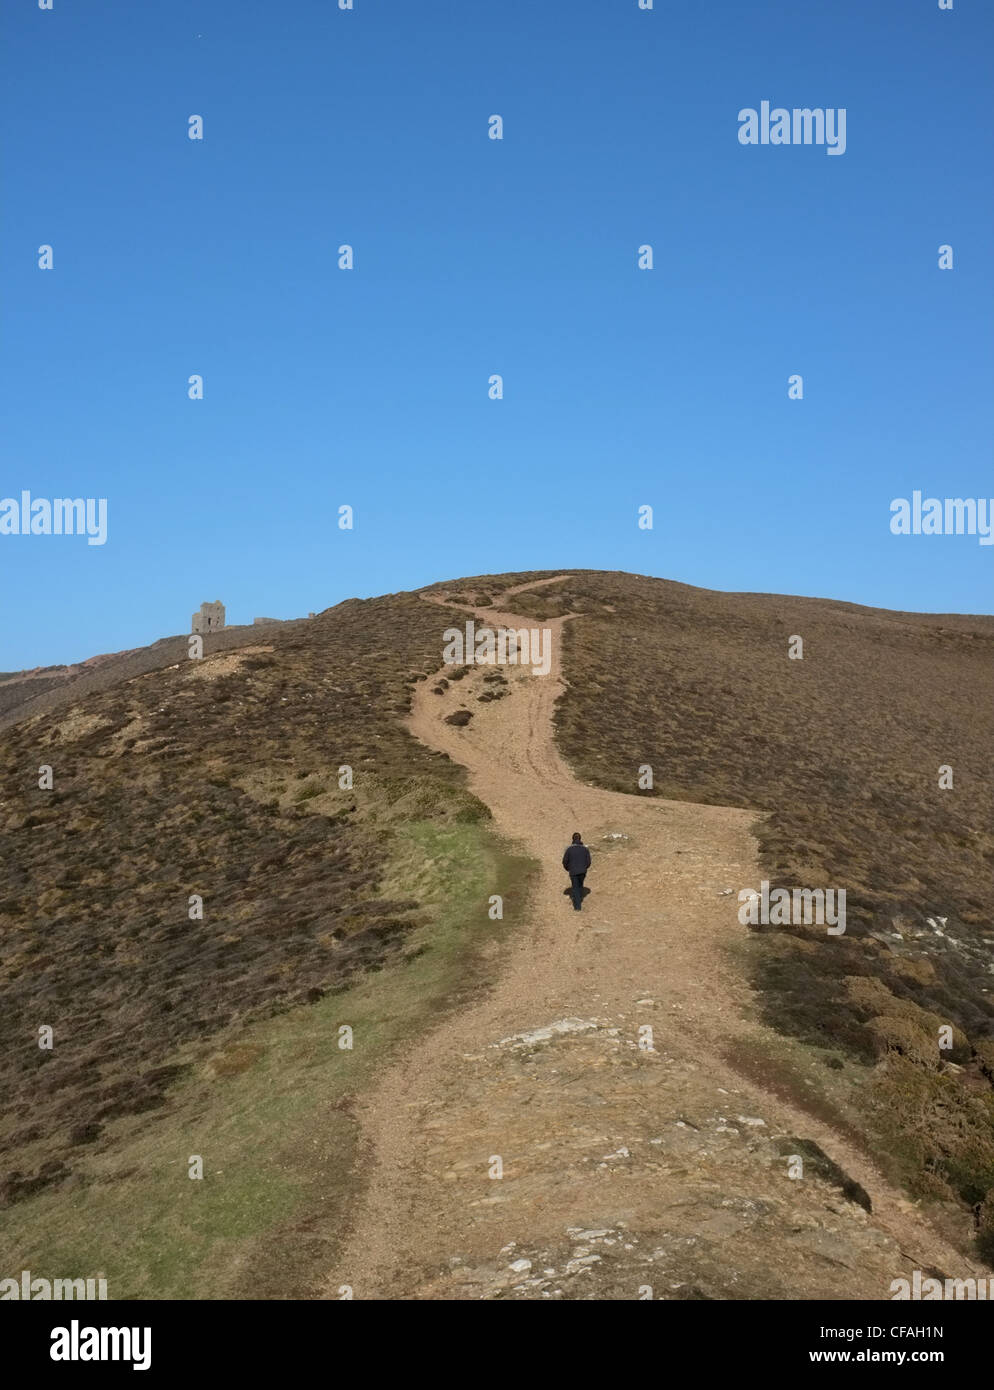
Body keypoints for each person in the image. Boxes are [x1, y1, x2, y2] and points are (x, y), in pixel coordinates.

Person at [562, 832, 591, 911]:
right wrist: (585, 868)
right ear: (580, 839)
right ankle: (580, 898)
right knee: (580, 885)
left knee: (575, 887)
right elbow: (588, 862)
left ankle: (577, 907)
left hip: (573, 871)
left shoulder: (569, 849)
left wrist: (568, 868)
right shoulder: (585, 849)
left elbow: (565, 861)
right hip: (583, 871)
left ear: (573, 839)